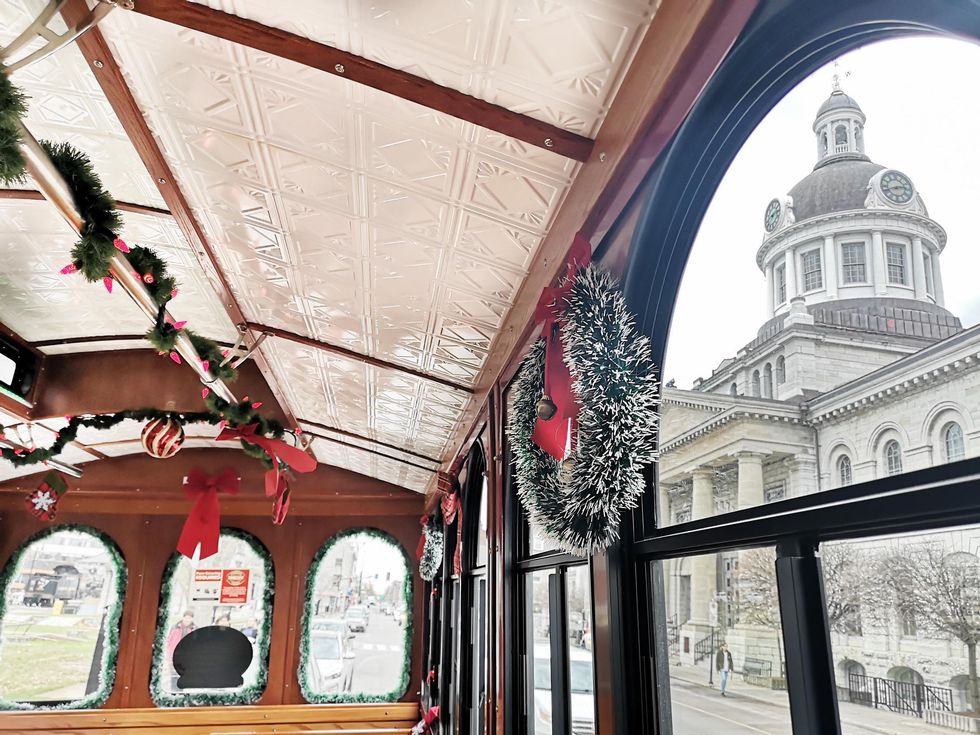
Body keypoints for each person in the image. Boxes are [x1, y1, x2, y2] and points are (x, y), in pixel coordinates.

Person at [165, 610, 195, 690]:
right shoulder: (175, 627)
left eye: (190, 618)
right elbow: (169, 641)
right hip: (175, 654)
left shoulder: (194, 629)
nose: (187, 620)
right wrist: (168, 654)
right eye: (186, 617)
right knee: (174, 675)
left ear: (192, 619)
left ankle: (181, 693)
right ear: (183, 617)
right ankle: (174, 692)